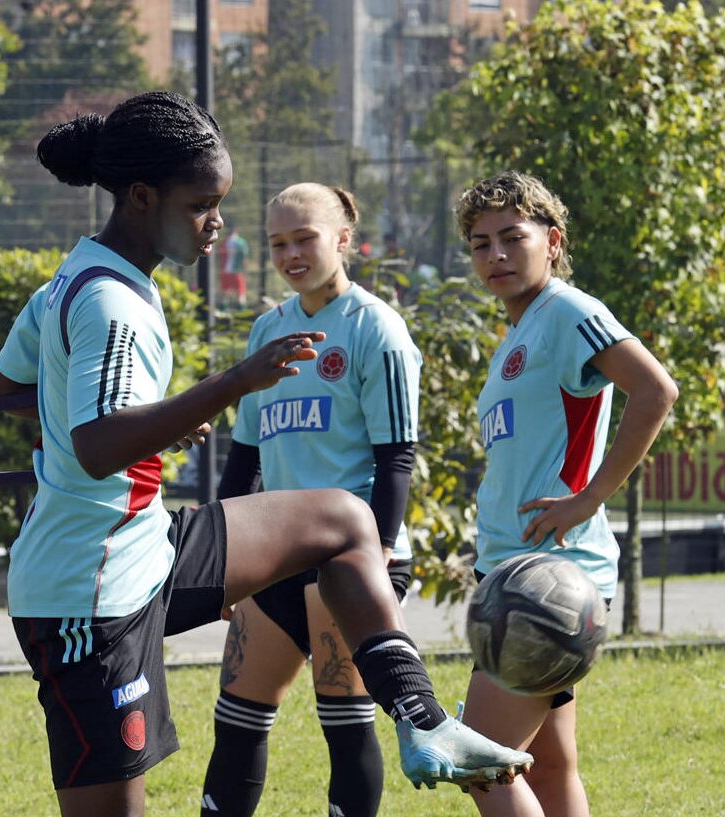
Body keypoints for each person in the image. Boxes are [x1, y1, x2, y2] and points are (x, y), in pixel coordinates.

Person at [0, 91, 532, 817]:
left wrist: (147, 423)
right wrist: (231, 383)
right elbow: (92, 446)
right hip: (86, 592)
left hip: (141, 543)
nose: (218, 224)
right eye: (202, 204)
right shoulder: (111, 302)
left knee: (339, 520)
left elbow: (9, 390)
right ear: (143, 198)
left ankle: (423, 721)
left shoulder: (74, 279)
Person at [455, 171, 677, 817]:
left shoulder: (567, 310)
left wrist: (587, 497)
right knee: (547, 767)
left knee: (478, 758)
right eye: (478, 243)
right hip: (513, 570)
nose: (494, 254)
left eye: (511, 237)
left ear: (551, 241)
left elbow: (654, 390)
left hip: (551, 579)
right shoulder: (518, 333)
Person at [197, 182, 421, 817]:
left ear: (343, 241)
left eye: (305, 239)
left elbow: (395, 457)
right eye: (277, 243)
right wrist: (221, 565)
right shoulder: (268, 330)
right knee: (237, 719)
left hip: (349, 563)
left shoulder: (375, 327)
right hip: (274, 557)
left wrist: (372, 557)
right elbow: (244, 458)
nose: (291, 253)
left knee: (344, 724)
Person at [222, 226, 249, 307]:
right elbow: (244, 258)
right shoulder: (241, 243)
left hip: (226, 270)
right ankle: (242, 309)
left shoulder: (224, 243)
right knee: (241, 291)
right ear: (236, 231)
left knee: (226, 291)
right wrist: (245, 270)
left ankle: (224, 308)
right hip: (238, 270)